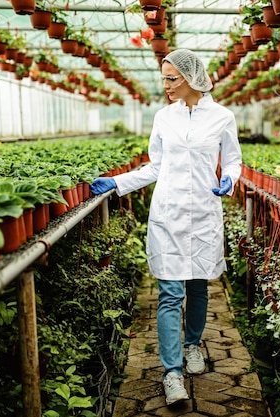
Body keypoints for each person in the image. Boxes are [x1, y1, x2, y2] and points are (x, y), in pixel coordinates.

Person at [90, 49, 242, 406]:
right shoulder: (163, 118)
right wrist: (117, 182)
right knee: (171, 293)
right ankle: (172, 372)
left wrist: (229, 180)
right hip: (169, 213)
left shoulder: (222, 117)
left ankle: (193, 345)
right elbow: (155, 167)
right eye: (164, 78)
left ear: (191, 78)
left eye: (171, 78)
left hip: (203, 211)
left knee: (198, 286)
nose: (166, 85)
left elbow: (233, 161)